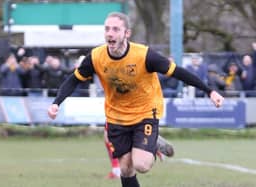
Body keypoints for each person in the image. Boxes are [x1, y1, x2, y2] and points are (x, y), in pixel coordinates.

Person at [47, 12, 224, 187]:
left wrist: (210, 92)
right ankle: (148, 143)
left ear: (127, 33)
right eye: (107, 29)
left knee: (141, 164)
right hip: (117, 117)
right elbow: (74, 79)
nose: (110, 33)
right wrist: (56, 102)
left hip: (145, 113)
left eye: (116, 29)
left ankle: (151, 142)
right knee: (125, 169)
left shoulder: (144, 55)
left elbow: (178, 73)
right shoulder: (96, 57)